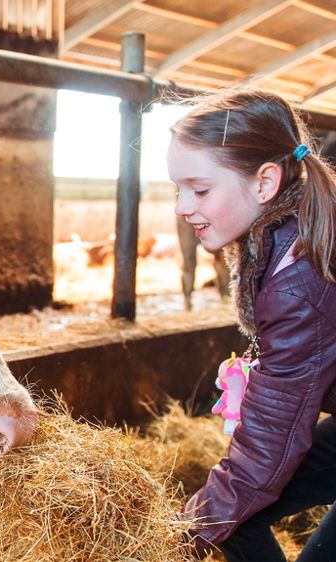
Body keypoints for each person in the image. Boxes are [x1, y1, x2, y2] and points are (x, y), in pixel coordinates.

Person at [168, 88, 336, 561]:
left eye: (199, 190)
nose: (182, 206)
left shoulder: (299, 279)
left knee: (226, 514)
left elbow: (270, 443)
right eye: (177, 189)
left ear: (265, 183)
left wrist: (184, 537)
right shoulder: (285, 236)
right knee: (232, 516)